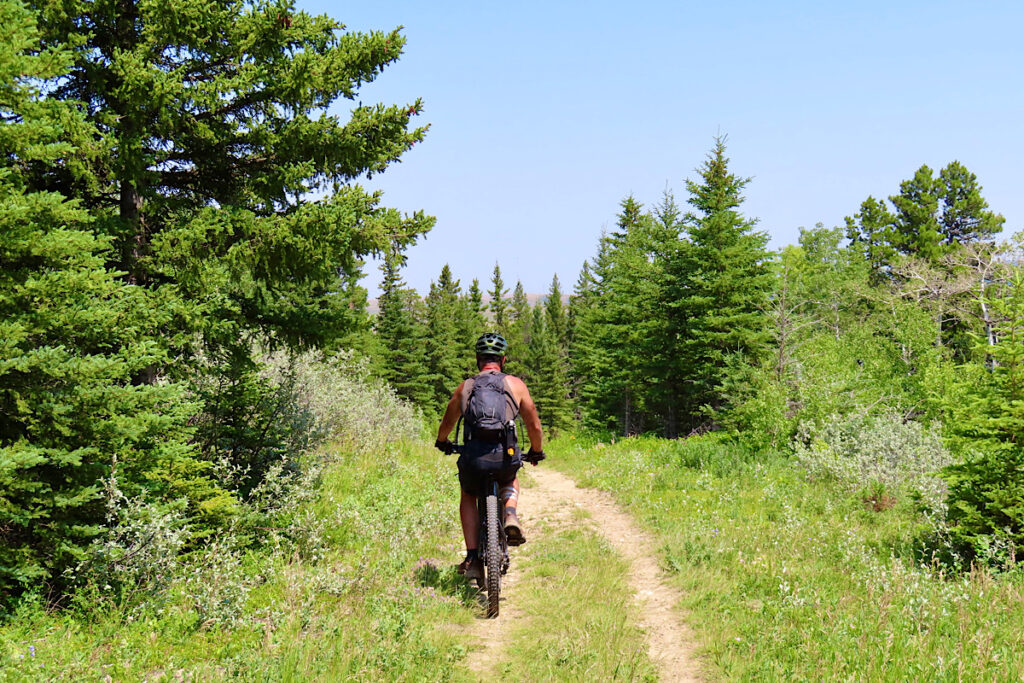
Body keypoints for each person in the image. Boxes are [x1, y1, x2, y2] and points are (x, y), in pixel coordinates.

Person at [435, 332, 545, 581]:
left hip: (474, 459)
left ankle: (473, 557)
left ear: (478, 359)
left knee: (468, 495)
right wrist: (536, 450)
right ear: (503, 360)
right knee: (511, 478)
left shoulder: (466, 386)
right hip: (504, 457)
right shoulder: (515, 385)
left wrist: (442, 441)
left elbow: (447, 422)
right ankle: (510, 513)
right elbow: (534, 425)